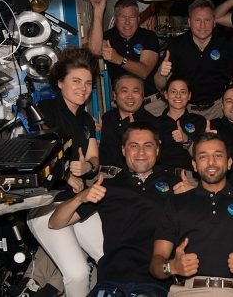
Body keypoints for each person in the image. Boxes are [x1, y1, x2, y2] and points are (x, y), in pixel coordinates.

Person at [49, 122, 195, 297]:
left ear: (157, 150)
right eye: (134, 146)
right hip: (111, 282)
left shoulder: (176, 185)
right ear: (123, 150)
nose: (141, 152)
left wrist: (194, 198)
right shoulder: (108, 186)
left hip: (155, 284)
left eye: (148, 146)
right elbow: (55, 223)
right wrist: (80, 197)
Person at [150, 132, 233, 297]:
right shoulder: (176, 203)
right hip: (187, 292)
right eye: (203, 157)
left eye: (218, 155)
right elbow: (156, 263)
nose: (211, 162)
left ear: (229, 162)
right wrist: (171, 267)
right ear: (195, 165)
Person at [26, 48, 102, 297]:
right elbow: (36, 156)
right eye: (76, 81)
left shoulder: (86, 120)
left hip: (77, 200)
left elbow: (93, 158)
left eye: (88, 83)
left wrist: (87, 167)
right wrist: (66, 174)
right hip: (46, 203)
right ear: (60, 83)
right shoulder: (45, 111)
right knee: (77, 272)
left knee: (111, 255)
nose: (83, 88)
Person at [154, 0, 233, 120]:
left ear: (214, 22)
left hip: (218, 110)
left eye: (207, 20)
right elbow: (160, 85)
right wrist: (161, 74)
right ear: (189, 21)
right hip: (184, 109)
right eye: (197, 20)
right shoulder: (176, 45)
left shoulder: (227, 45)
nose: (202, 25)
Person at [88, 0, 164, 116]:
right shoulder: (109, 37)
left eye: (132, 17)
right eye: (123, 17)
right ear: (115, 19)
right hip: (121, 106)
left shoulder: (148, 37)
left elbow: (144, 71)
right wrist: (97, 10)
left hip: (151, 106)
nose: (127, 22)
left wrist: (118, 59)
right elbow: (94, 50)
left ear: (138, 19)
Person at [99, 74, 159, 168]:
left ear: (143, 96)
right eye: (124, 91)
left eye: (135, 91)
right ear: (114, 96)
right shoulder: (107, 117)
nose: (130, 96)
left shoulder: (152, 124)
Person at [158, 77, 206, 177]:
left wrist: (186, 140)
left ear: (189, 96)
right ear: (166, 95)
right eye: (173, 91)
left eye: (183, 92)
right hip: (162, 177)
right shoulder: (156, 123)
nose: (178, 96)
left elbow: (204, 156)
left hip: (191, 177)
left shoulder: (199, 121)